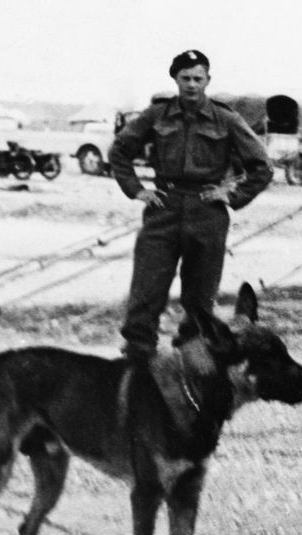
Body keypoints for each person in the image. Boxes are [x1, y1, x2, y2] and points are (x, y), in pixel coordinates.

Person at [110, 49, 273, 364]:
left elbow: (262, 167)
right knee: (147, 288)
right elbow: (119, 151)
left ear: (208, 80)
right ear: (175, 79)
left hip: (206, 212)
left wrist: (231, 195)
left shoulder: (226, 118)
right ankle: (137, 357)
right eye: (185, 78)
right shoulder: (156, 115)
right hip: (163, 208)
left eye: (198, 78)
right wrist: (137, 190)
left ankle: (191, 358)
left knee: (200, 296)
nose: (192, 85)